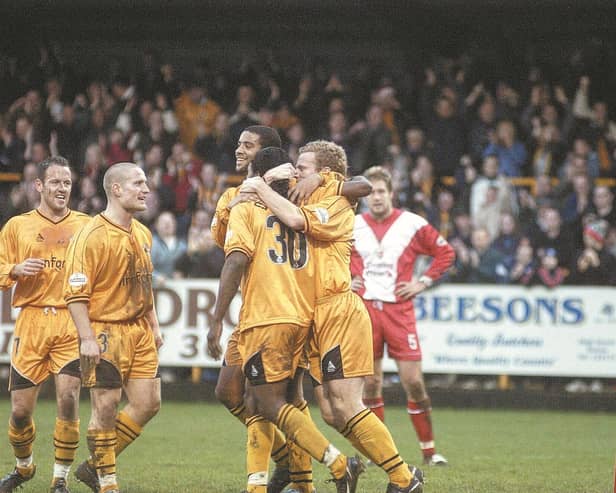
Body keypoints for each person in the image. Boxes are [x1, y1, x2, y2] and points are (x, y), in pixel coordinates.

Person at [241, 142, 424, 493]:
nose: (296, 172)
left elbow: (356, 187)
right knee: (327, 410)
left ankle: (403, 477)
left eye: (304, 167)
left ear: (327, 173)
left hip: (338, 310)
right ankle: (305, 480)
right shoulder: (302, 197)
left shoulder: (336, 203)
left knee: (345, 403)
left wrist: (263, 187)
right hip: (308, 315)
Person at [208, 147, 363, 493]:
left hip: (266, 316)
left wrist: (217, 318)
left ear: (258, 171)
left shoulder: (248, 206)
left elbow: (233, 260)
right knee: (272, 398)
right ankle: (287, 483)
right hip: (302, 316)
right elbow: (355, 190)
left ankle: (339, 465)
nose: (238, 150)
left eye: (247, 148)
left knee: (265, 402)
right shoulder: (302, 206)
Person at [64, 162, 163, 493]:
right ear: (116, 189)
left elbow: (145, 285)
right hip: (106, 330)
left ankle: (94, 466)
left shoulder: (142, 233)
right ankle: (108, 483)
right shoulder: (90, 236)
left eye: (146, 182)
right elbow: (75, 294)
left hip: (139, 330)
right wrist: (87, 338)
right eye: (138, 183)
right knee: (105, 406)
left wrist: (155, 324)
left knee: (149, 402)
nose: (146, 189)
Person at [350, 166, 455, 466]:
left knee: (414, 382)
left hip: (399, 311)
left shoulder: (411, 223)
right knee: (370, 384)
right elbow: (331, 255)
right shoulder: (352, 225)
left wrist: (423, 282)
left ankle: (429, 451)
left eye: (382, 191)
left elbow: (445, 252)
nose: (377, 198)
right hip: (365, 309)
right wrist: (346, 280)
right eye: (371, 193)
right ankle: (378, 453)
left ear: (391, 194)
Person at [0, 156, 90, 493]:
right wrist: (14, 270)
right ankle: (24, 468)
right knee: (21, 412)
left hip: (70, 320)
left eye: (67, 182)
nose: (62, 188)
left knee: (68, 398)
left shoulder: (86, 225)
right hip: (32, 323)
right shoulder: (16, 226)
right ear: (39, 185)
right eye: (55, 182)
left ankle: (60, 479)